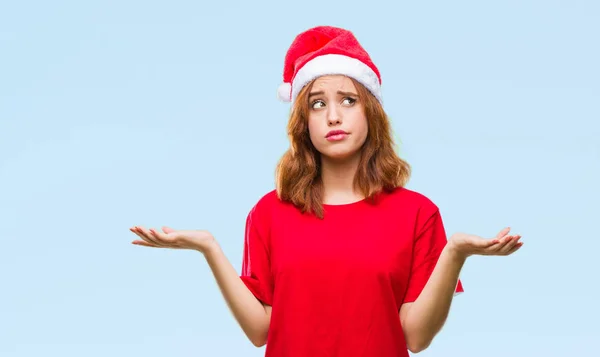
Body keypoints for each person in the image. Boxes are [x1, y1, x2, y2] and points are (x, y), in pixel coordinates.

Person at [130, 25, 523, 357]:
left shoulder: (417, 214)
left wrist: (454, 254)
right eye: (317, 104)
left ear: (370, 111)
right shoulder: (268, 214)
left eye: (348, 100)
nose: (333, 115)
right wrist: (208, 247)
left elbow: (416, 338)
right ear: (304, 123)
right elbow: (260, 331)